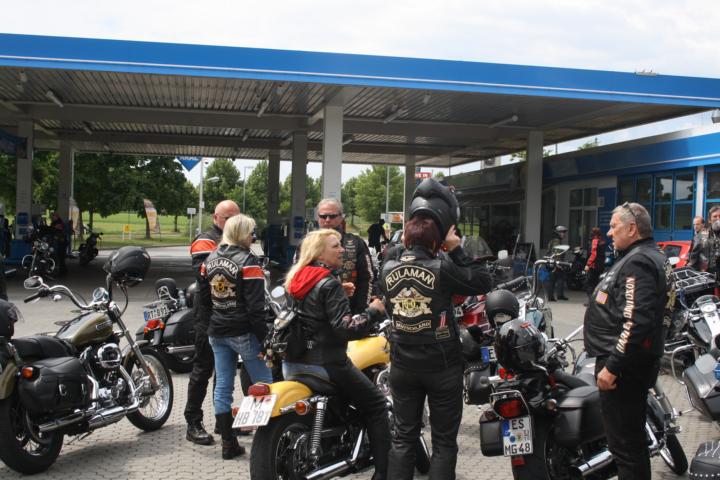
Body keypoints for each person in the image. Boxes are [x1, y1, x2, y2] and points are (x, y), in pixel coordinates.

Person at [380, 178, 493, 479]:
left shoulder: (388, 267)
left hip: (402, 363)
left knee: (403, 437)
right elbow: (483, 281)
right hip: (442, 365)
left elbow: (388, 297)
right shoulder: (443, 267)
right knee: (443, 442)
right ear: (438, 240)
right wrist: (456, 250)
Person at [284, 228, 390, 479]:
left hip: (294, 363)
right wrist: (373, 311)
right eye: (335, 246)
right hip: (326, 363)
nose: (342, 250)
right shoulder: (328, 283)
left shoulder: (295, 278)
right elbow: (345, 329)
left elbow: (309, 312)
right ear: (319, 252)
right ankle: (384, 474)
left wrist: (338, 291)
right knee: (377, 405)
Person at [584, 202, 671, 479]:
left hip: (623, 369)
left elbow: (637, 321)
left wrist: (613, 367)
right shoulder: (649, 256)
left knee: (625, 448)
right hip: (632, 364)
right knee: (631, 445)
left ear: (632, 228)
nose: (609, 233)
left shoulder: (639, 261)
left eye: (614, 227)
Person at [201, 213, 273, 460]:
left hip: (217, 331)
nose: (254, 236)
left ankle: (228, 443)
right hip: (244, 331)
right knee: (265, 384)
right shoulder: (249, 262)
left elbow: (203, 300)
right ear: (242, 233)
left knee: (223, 386)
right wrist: (266, 340)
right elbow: (256, 309)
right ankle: (268, 441)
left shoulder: (210, 259)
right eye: (251, 232)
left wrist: (209, 325)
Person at [184, 199, 240, 446]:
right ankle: (193, 422)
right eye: (228, 218)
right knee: (203, 368)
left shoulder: (235, 239)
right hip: (209, 315)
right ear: (216, 218)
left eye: (236, 217)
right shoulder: (205, 240)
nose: (233, 222)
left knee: (225, 369)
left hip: (230, 314)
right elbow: (208, 277)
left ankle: (222, 420)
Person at [296, 198, 374, 314]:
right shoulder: (307, 243)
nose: (327, 220)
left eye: (332, 216)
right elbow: (297, 276)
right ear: (318, 217)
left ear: (341, 217)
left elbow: (367, 278)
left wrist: (362, 311)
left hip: (349, 310)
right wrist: (333, 290)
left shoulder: (356, 242)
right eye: (323, 216)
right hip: (314, 311)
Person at [689, 206, 720, 273]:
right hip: (706, 276)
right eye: (715, 216)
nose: (718, 219)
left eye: (719, 216)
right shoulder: (700, 236)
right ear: (709, 220)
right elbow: (692, 260)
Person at [545, 225, 569, 301]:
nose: (564, 234)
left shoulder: (555, 240)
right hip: (555, 262)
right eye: (562, 232)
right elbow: (556, 253)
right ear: (558, 233)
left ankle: (555, 296)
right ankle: (555, 296)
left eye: (564, 232)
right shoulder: (556, 241)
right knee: (557, 279)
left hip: (553, 262)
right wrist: (559, 264)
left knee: (555, 279)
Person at [584, 227, 606, 306]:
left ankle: (591, 301)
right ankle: (600, 301)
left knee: (588, 283)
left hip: (594, 265)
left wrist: (588, 264)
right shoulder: (602, 241)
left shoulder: (595, 241)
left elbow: (594, 254)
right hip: (601, 265)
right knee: (598, 283)